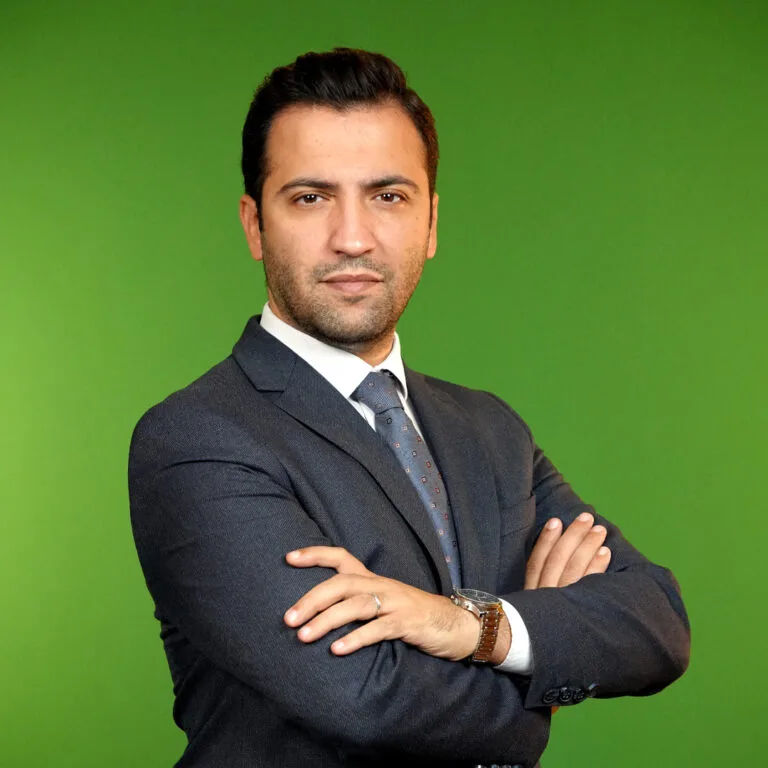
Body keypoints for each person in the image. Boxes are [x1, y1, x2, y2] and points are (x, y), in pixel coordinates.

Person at [128, 48, 690, 768]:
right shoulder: (198, 439)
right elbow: (365, 700)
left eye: (388, 196)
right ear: (253, 225)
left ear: (431, 224)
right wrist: (540, 673)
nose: (352, 238)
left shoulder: (490, 430)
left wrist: (472, 627)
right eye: (311, 197)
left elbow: (657, 623)